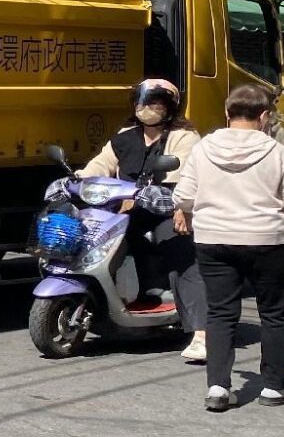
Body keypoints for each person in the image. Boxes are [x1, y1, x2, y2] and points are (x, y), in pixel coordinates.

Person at [174, 84, 284, 412]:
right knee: (275, 315)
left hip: (214, 241)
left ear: (227, 114)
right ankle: (273, 388)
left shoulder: (203, 148)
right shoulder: (276, 152)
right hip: (266, 242)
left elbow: (182, 196)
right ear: (264, 116)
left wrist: (194, 210)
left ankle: (219, 389)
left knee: (221, 313)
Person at [78, 77, 206, 361]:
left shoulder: (184, 136)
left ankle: (201, 333)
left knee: (180, 252)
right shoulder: (125, 135)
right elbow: (102, 163)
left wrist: (181, 208)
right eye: (142, 101)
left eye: (155, 102)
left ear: (171, 107)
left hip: (169, 209)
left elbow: (185, 176)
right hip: (126, 209)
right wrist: (79, 179)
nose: (146, 107)